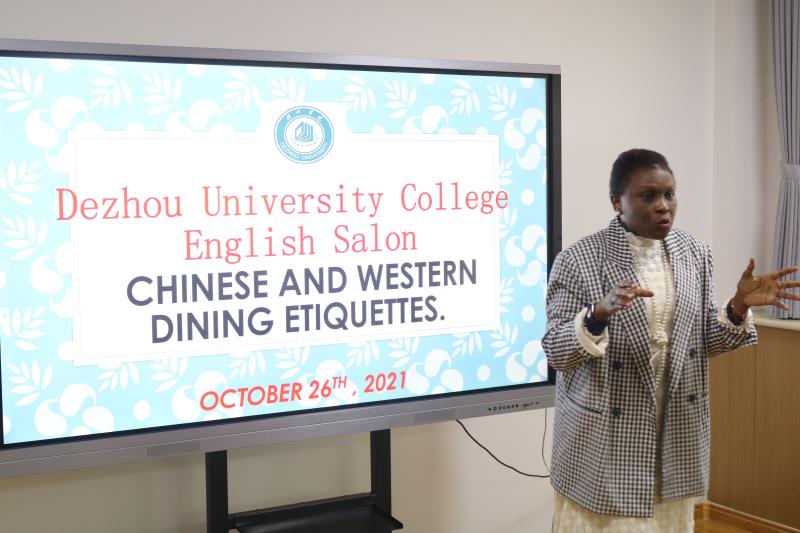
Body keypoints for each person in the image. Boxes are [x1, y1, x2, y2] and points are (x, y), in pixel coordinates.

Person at [542, 148, 800, 532]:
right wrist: (597, 315)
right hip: (605, 443)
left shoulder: (695, 252)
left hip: (674, 432)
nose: (663, 206)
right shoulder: (579, 259)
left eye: (669, 194)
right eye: (648, 196)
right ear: (617, 201)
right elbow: (556, 351)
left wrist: (738, 306)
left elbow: (703, 342)